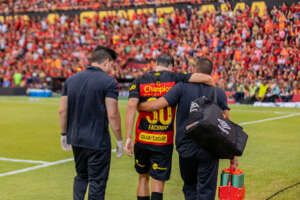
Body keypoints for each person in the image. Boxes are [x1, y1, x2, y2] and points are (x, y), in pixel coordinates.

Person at [139, 57, 239, 200]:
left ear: (194, 70)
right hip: (210, 148)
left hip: (186, 146)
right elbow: (227, 125)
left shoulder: (182, 87)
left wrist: (138, 105)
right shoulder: (218, 92)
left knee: (189, 187)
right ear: (210, 73)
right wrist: (233, 155)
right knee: (206, 191)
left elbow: (157, 105)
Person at [125, 54, 214, 200]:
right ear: (171, 66)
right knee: (158, 180)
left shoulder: (139, 80)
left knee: (142, 178)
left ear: (155, 64)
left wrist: (128, 137)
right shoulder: (175, 77)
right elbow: (207, 78)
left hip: (142, 138)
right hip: (162, 140)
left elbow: (131, 105)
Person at [58, 45, 123, 200]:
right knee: (97, 182)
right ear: (106, 61)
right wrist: (119, 139)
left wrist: (63, 133)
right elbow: (113, 114)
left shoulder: (71, 80)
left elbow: (62, 110)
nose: (112, 68)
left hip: (76, 139)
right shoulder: (109, 82)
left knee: (81, 176)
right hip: (97, 140)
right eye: (112, 64)